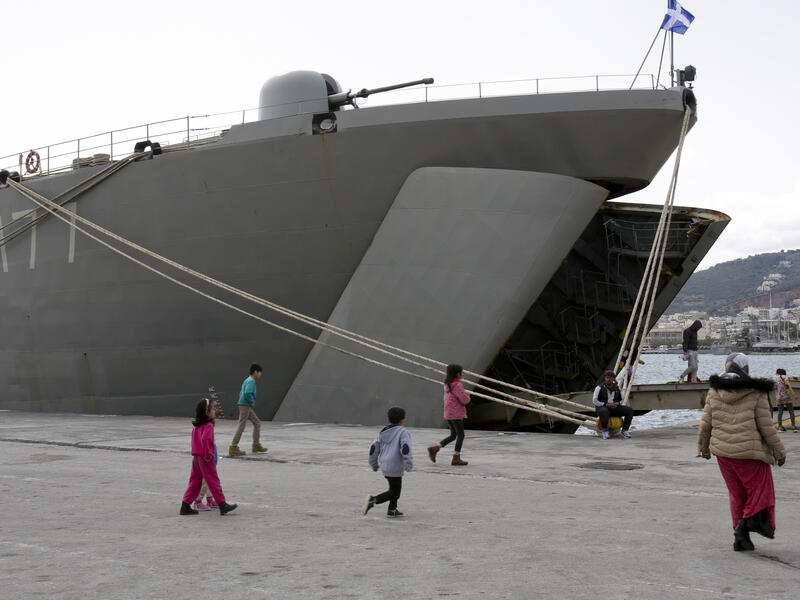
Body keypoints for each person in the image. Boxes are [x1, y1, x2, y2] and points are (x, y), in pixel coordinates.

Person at [697, 353, 787, 552]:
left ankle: (741, 539)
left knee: (737, 496)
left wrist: (703, 448)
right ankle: (743, 527)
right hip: (750, 454)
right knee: (760, 492)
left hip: (723, 455)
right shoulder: (756, 392)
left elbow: (705, 424)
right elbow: (766, 427)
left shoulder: (715, 390)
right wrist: (780, 452)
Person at [180, 398, 238, 515]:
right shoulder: (208, 426)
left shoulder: (196, 426)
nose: (214, 410)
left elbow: (195, 440)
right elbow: (206, 439)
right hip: (205, 457)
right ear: (207, 412)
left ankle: (185, 505)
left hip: (196, 457)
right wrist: (208, 454)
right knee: (213, 480)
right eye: (212, 408)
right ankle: (222, 504)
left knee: (195, 481)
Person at [362, 406, 414, 518]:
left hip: (385, 464)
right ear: (402, 420)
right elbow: (405, 449)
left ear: (388, 419)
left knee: (393, 488)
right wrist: (408, 464)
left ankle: (392, 509)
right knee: (395, 492)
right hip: (395, 465)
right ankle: (373, 500)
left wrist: (374, 464)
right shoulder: (403, 432)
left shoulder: (383, 432)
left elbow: (373, 449)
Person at [427, 364, 471, 466]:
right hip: (456, 414)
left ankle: (435, 448)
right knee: (461, 435)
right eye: (461, 372)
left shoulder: (447, 384)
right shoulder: (458, 385)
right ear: (457, 374)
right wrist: (468, 396)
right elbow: (464, 400)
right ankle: (456, 457)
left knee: (453, 435)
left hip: (449, 413)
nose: (463, 374)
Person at [229, 363, 268, 456]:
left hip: (244, 405)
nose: (260, 374)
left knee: (257, 423)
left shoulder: (247, 380)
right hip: (245, 405)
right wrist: (251, 401)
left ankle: (256, 444)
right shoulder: (251, 381)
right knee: (241, 426)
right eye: (259, 372)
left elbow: (241, 392)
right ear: (255, 372)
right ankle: (233, 447)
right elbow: (247, 393)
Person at [592, 370, 634, 439]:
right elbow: (595, 400)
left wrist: (617, 403)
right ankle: (605, 431)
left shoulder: (617, 388)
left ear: (613, 379)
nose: (608, 379)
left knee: (629, 410)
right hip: (602, 408)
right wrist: (606, 404)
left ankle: (625, 430)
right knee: (604, 411)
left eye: (610, 378)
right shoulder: (599, 388)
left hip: (614, 408)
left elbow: (622, 399)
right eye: (607, 377)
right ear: (605, 378)